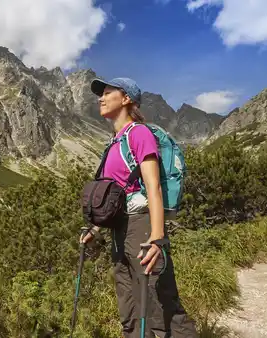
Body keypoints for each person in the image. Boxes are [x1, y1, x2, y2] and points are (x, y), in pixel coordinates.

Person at [80, 77, 198, 338]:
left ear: (126, 99)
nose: (101, 97)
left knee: (159, 298)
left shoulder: (139, 133)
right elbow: (117, 195)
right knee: (129, 302)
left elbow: (153, 187)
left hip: (142, 224)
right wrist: (96, 229)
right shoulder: (113, 142)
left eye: (107, 92)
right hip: (120, 230)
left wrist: (157, 239)